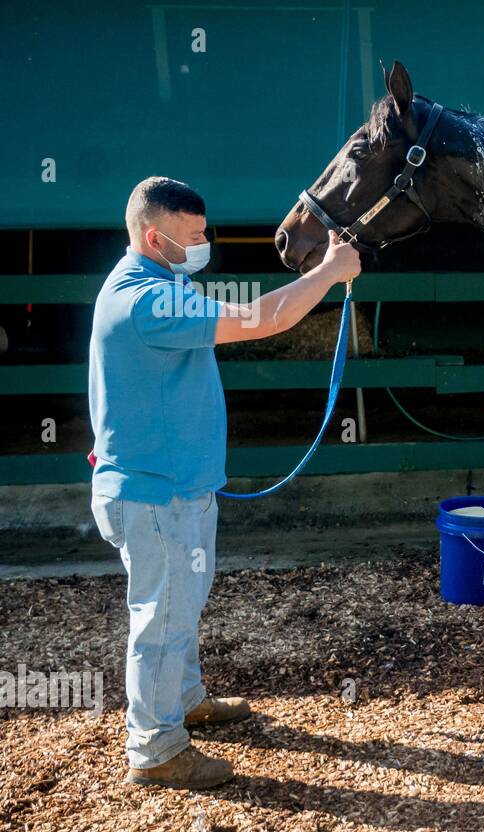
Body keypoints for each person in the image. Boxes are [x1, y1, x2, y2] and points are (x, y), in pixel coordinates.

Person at [88, 177, 361, 790]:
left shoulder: (155, 285)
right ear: (154, 236)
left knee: (179, 607)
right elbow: (265, 317)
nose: (204, 243)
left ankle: (183, 701)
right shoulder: (150, 300)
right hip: (157, 492)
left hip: (172, 485)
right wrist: (330, 270)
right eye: (193, 236)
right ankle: (155, 749)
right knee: (161, 618)